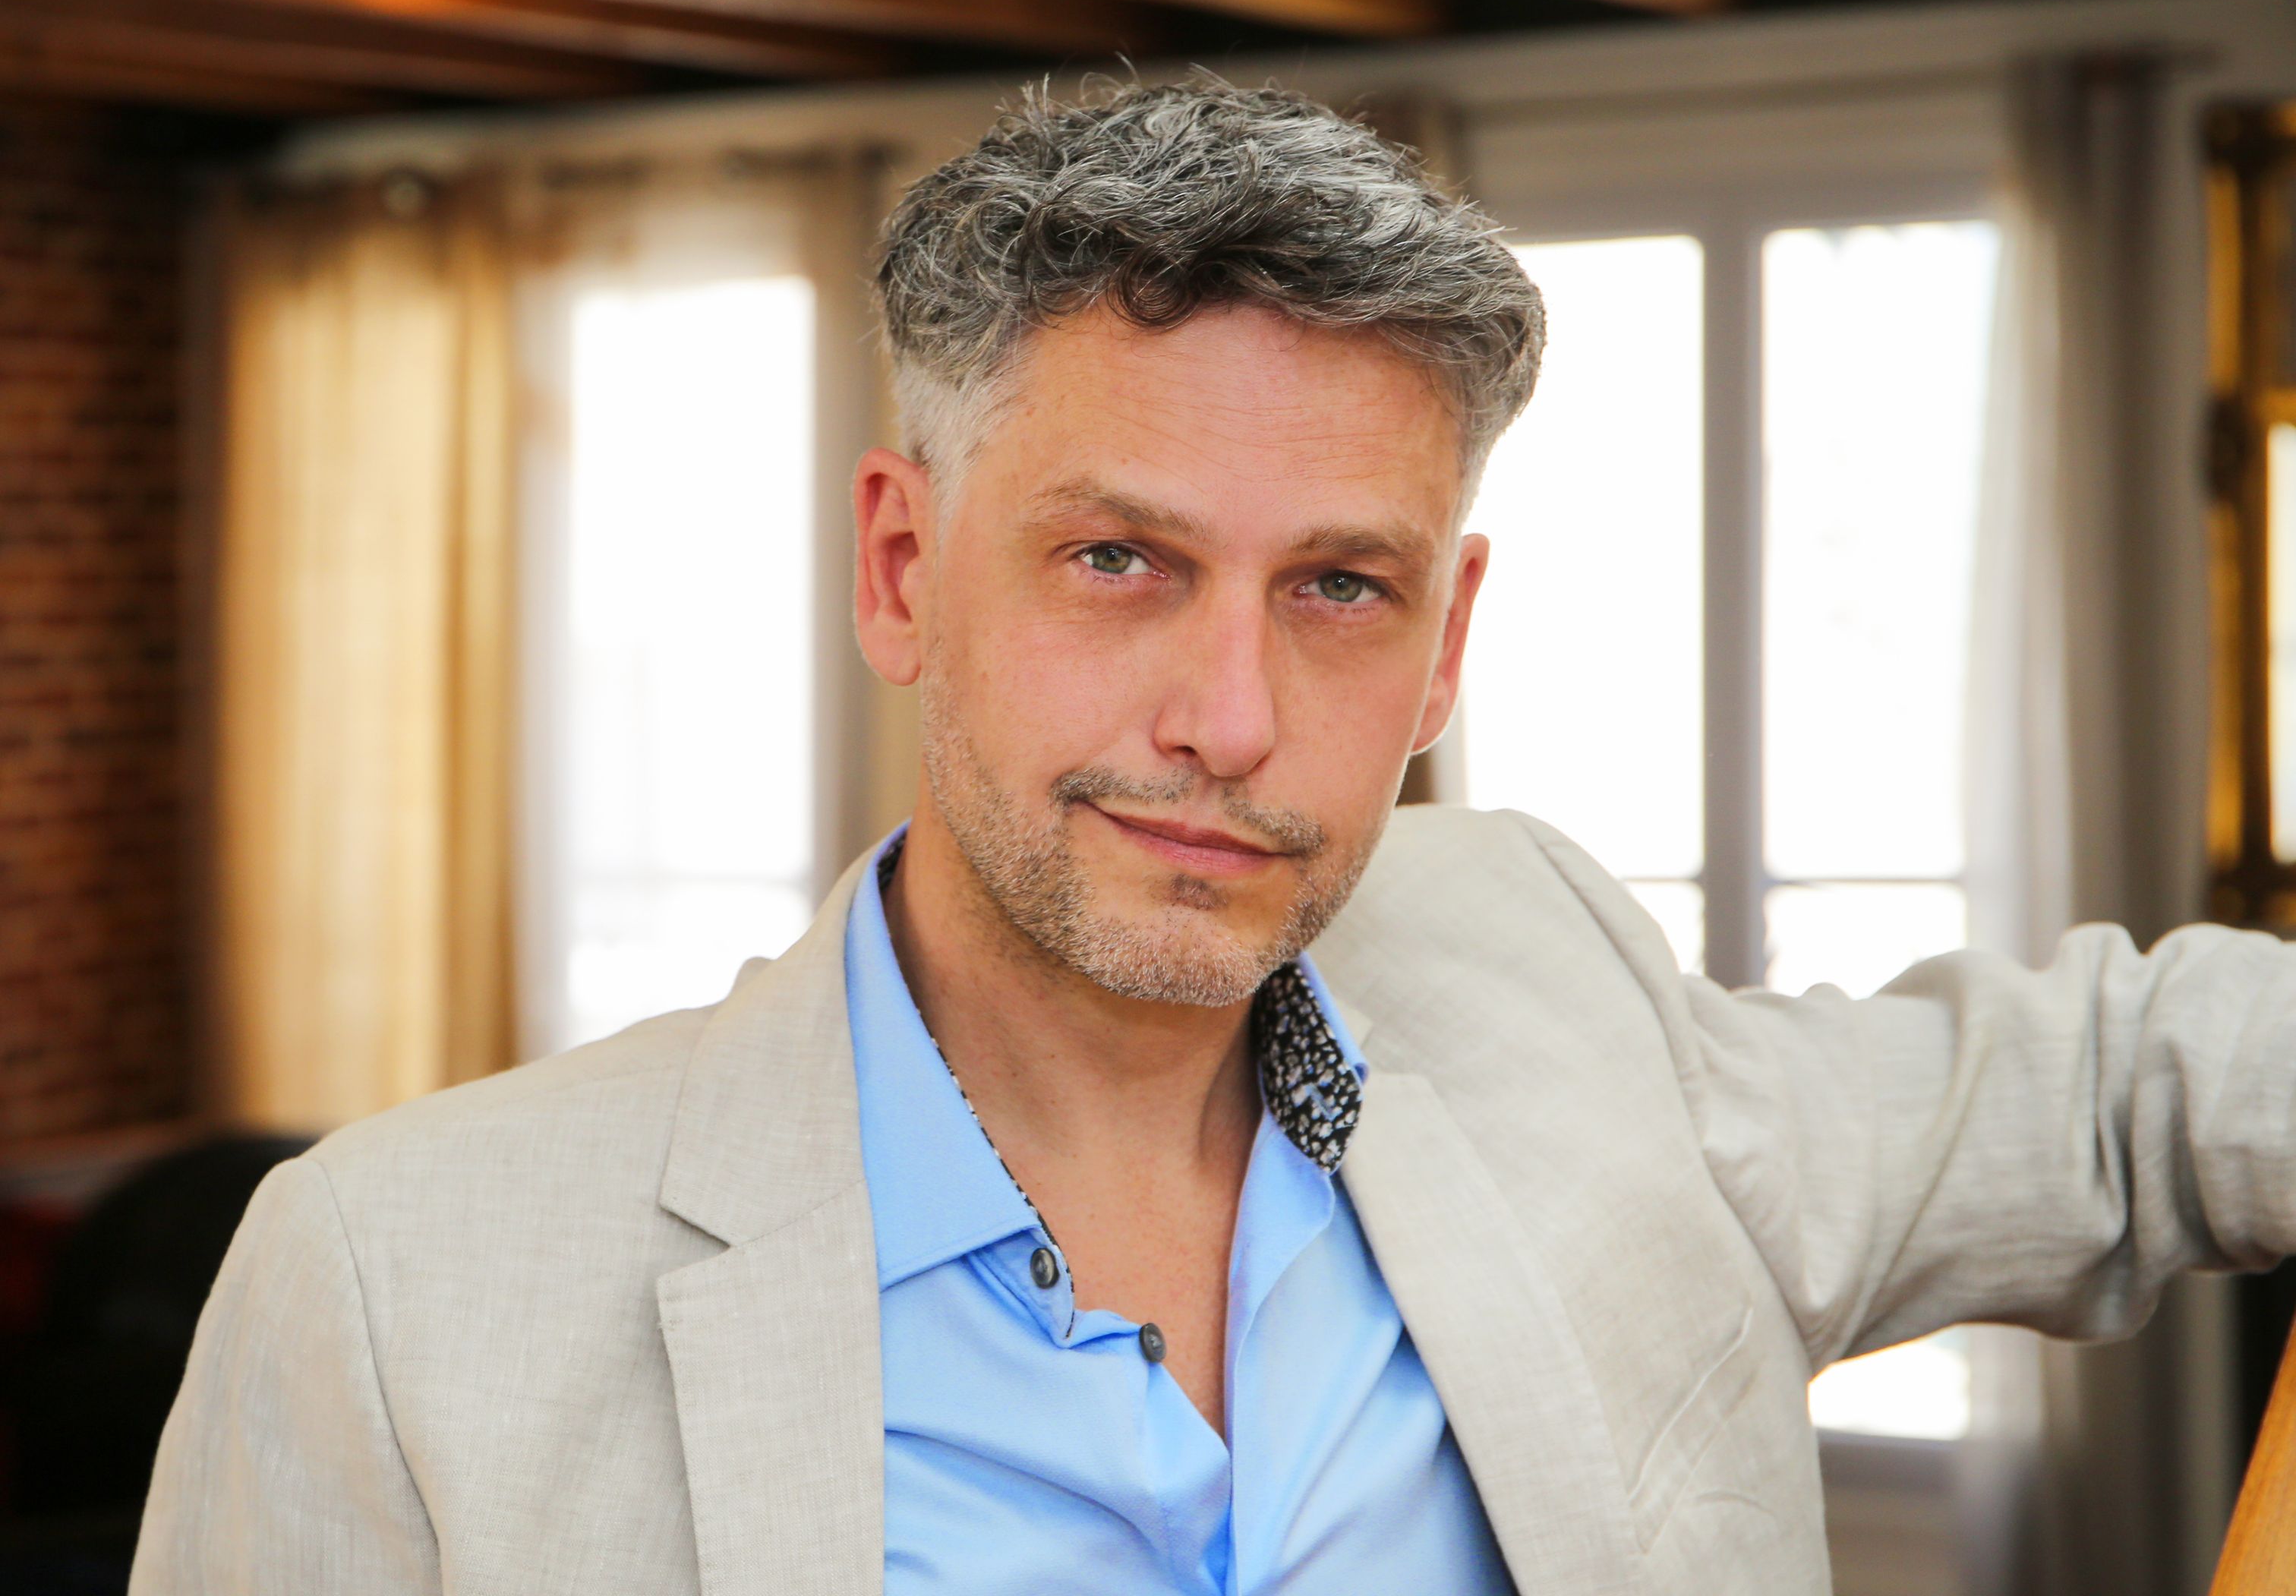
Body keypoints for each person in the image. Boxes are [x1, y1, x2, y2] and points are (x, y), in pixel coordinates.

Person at [131, 77, 2296, 1596]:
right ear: (902, 568)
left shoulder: (1550, 988)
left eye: (1340, 588)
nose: (1231, 723)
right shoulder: (398, 1296)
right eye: (1119, 562)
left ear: (1445, 647)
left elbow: (2140, 1087)